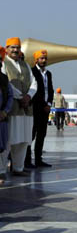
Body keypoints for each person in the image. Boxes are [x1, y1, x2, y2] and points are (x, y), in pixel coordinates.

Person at [1, 37, 37, 176]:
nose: (15, 50)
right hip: (12, 109)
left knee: (23, 140)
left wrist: (28, 96)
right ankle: (1, 169)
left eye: (17, 48)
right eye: (12, 47)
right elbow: (6, 84)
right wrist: (21, 97)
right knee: (8, 140)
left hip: (26, 109)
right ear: (7, 49)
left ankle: (18, 168)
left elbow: (34, 83)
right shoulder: (3, 64)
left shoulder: (25, 65)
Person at [25, 50, 54, 168]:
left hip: (45, 109)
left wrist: (49, 104)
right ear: (36, 60)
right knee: (31, 135)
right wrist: (43, 105)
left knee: (42, 134)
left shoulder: (48, 74)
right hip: (35, 108)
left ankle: (38, 159)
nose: (44, 61)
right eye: (41, 58)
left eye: (45, 58)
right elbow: (34, 91)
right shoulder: (32, 72)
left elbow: (50, 91)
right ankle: (26, 160)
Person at [0, 46, 14, 184]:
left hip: (2, 118)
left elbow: (10, 96)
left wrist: (5, 111)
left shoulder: (4, 79)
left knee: (1, 147)